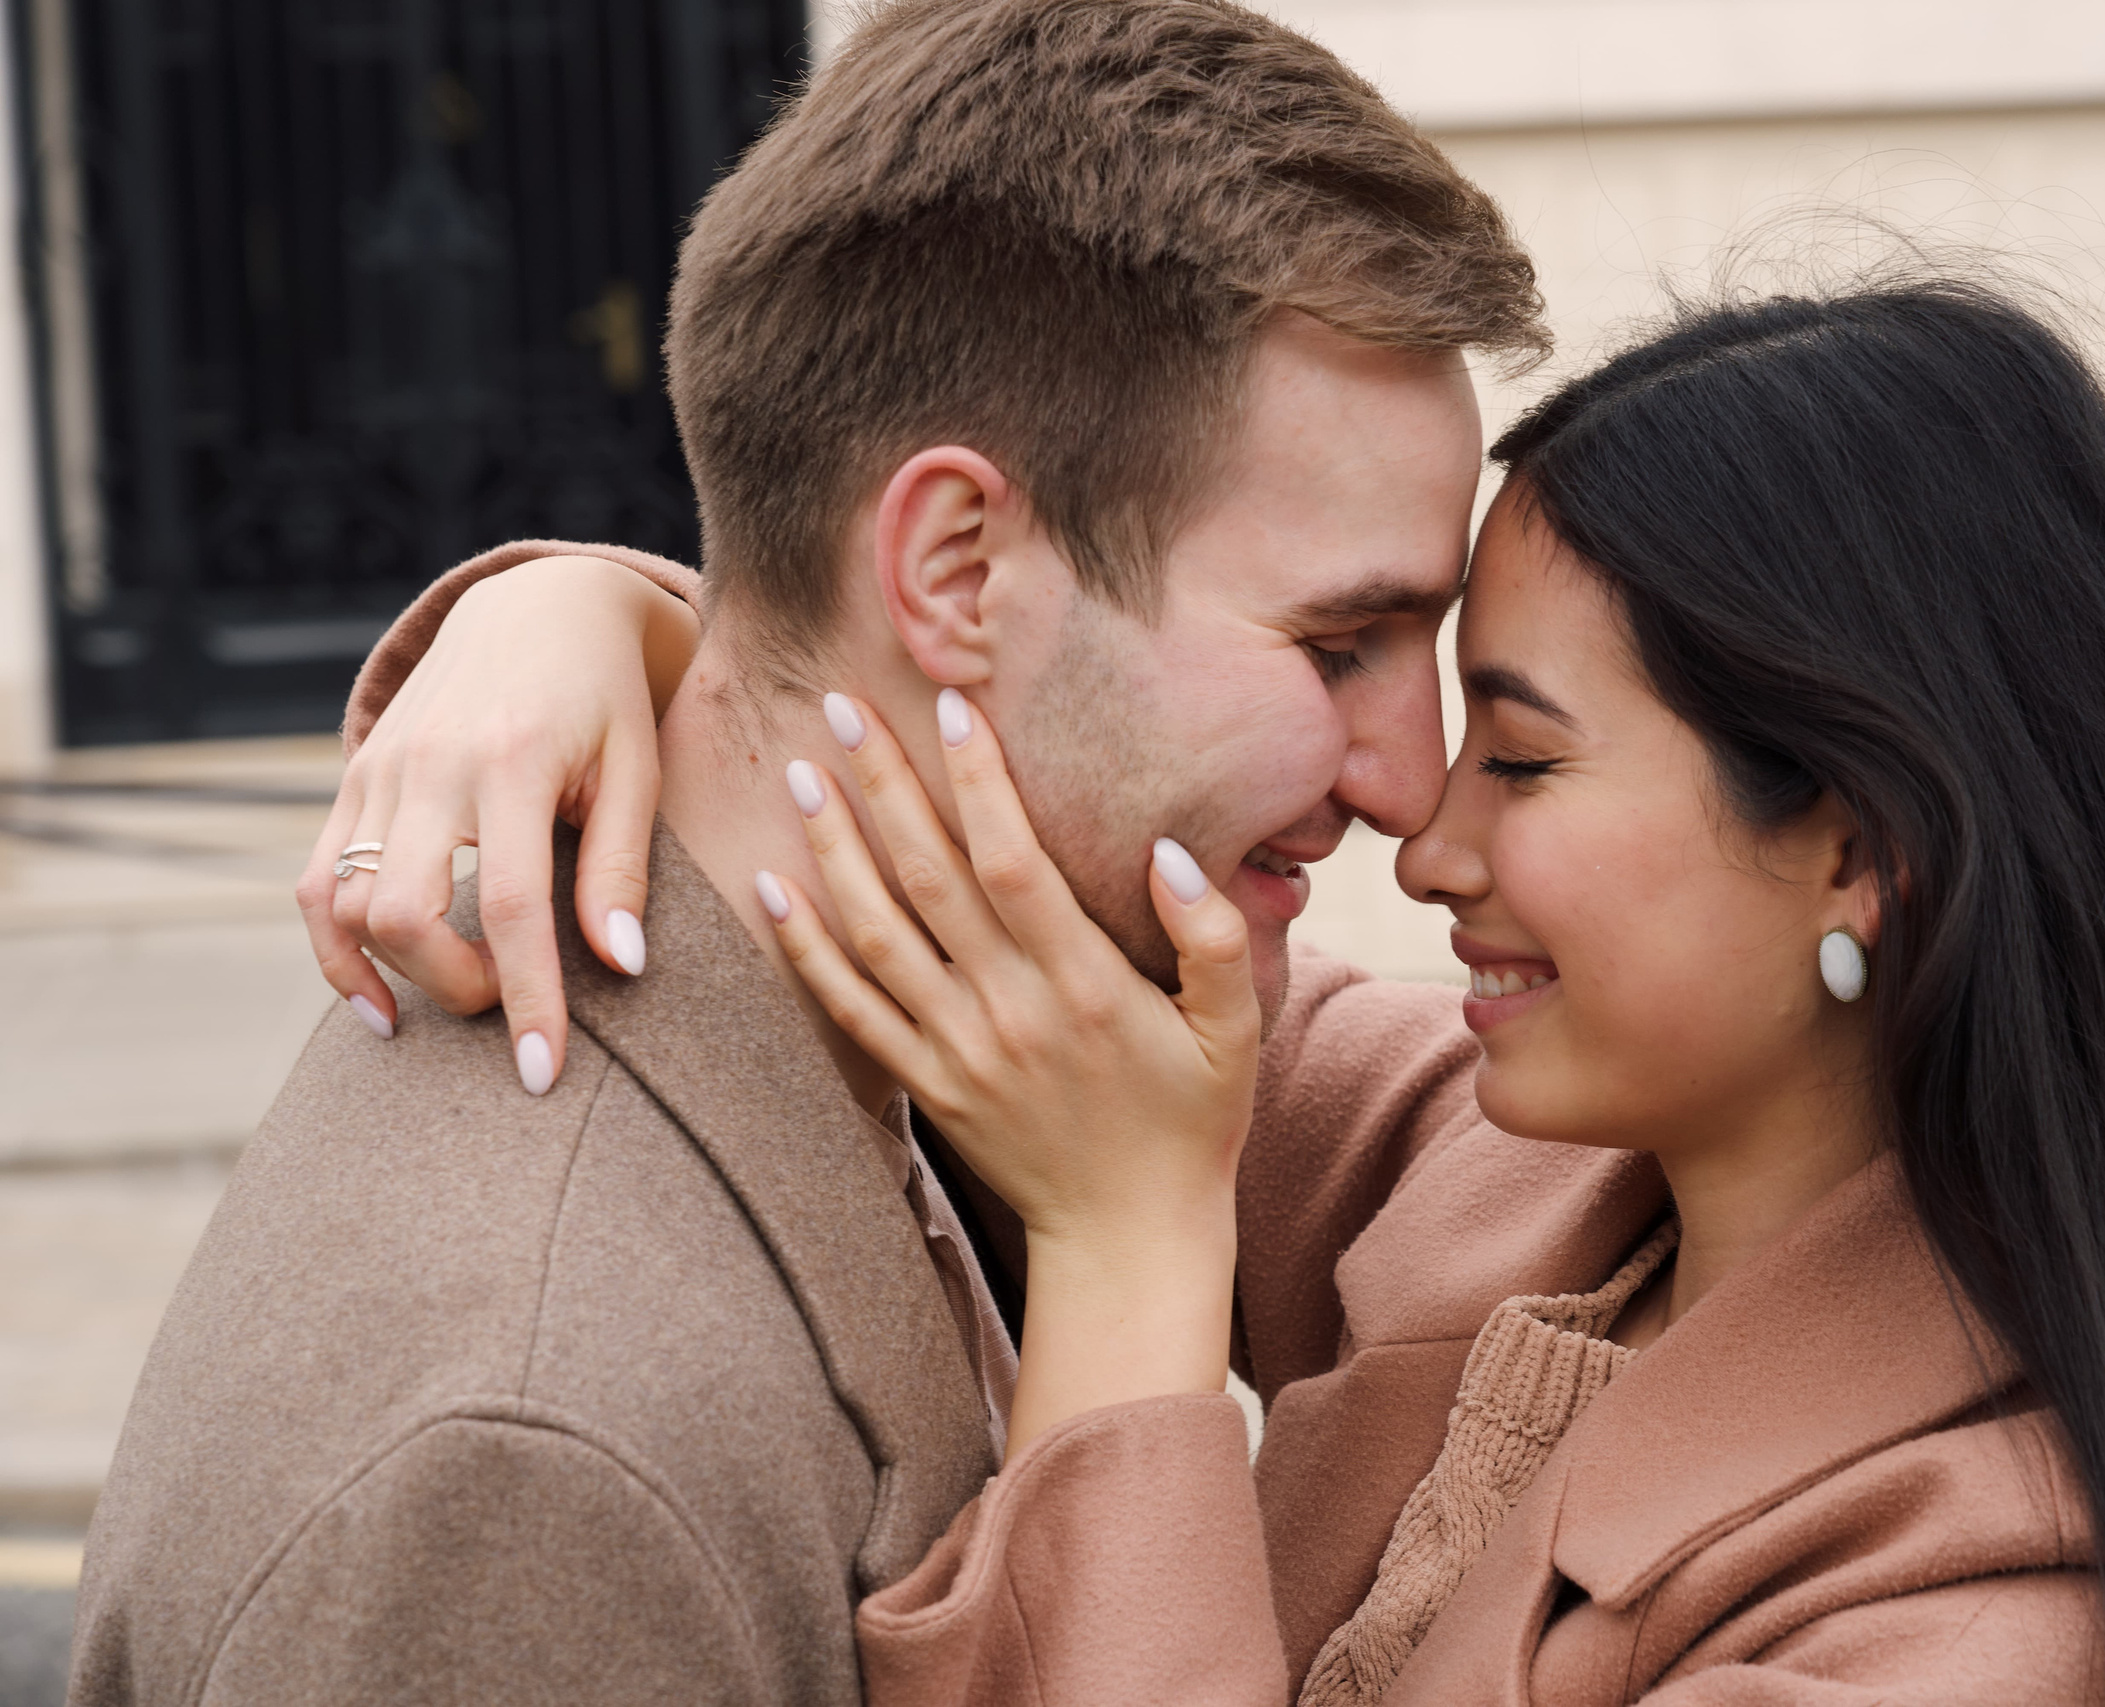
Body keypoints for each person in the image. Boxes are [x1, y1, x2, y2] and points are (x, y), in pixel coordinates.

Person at [293, 284, 2105, 1705]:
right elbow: (972, 875)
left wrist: (1132, 1260)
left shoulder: (1983, 1607)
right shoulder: (1513, 1177)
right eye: (1356, 662)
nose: (1419, 825)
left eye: (1519, 750)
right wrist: (593, 624)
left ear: (1857, 838)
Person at [66, 4, 1540, 1702]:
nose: (1416, 785)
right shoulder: (536, 1468)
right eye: (1343, 643)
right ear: (958, 571)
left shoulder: (917, 1013)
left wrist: (598, 599)